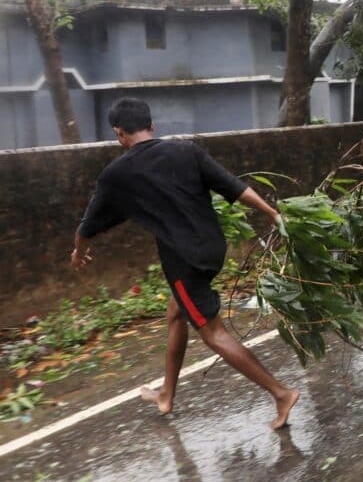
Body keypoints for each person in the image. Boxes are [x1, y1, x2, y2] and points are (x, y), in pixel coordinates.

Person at [72, 98, 299, 429]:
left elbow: (87, 225)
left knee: (213, 333)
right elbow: (236, 188)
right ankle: (167, 394)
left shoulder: (116, 174)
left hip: (184, 261)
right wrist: (273, 214)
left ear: (119, 133)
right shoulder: (186, 152)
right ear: (152, 126)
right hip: (213, 249)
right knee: (176, 313)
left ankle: (280, 393)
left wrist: (79, 252)